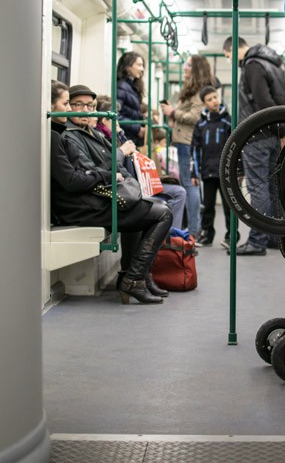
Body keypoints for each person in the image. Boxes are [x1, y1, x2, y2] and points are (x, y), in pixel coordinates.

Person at [50, 81, 172, 305]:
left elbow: (111, 166)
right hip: (85, 204)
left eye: (90, 106)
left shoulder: (92, 134)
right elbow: (87, 174)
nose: (83, 110)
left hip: (93, 198)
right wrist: (112, 174)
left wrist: (121, 177)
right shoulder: (67, 136)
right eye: (74, 104)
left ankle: (136, 276)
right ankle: (133, 279)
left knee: (145, 208)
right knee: (163, 213)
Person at [222, 36, 285, 255]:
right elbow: (283, 99)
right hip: (273, 135)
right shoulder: (274, 65)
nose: (230, 61)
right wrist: (282, 128)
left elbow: (263, 103)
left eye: (227, 56)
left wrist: (279, 128)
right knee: (271, 186)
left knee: (258, 187)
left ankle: (257, 240)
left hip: (257, 134)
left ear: (234, 49)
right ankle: (272, 236)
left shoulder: (253, 65)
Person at [95, 96, 187, 230]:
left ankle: (172, 238)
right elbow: (112, 165)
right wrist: (122, 150)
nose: (118, 124)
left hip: (138, 182)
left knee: (179, 191)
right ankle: (170, 240)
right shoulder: (105, 140)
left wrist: (121, 135)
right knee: (175, 196)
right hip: (131, 187)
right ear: (104, 121)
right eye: (115, 120)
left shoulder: (117, 136)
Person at [160, 55, 216, 241]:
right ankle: (193, 227)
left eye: (189, 64)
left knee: (189, 185)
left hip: (189, 141)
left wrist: (174, 113)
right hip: (184, 139)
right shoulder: (192, 89)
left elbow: (196, 117)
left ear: (196, 69)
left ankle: (193, 230)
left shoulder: (199, 91)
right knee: (189, 184)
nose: (185, 67)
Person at [190, 86, 234, 248]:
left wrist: (238, 170)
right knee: (207, 206)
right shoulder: (200, 125)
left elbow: (236, 147)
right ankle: (207, 235)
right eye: (209, 99)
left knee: (229, 206)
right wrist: (194, 172)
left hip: (225, 172)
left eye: (215, 97)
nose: (214, 101)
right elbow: (194, 148)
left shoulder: (228, 121)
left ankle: (232, 236)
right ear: (204, 103)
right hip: (207, 172)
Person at [116, 51, 146, 147]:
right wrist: (137, 129)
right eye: (139, 65)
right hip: (126, 137)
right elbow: (117, 115)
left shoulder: (131, 86)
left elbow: (128, 111)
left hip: (130, 136)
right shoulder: (122, 86)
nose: (142, 69)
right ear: (128, 66)